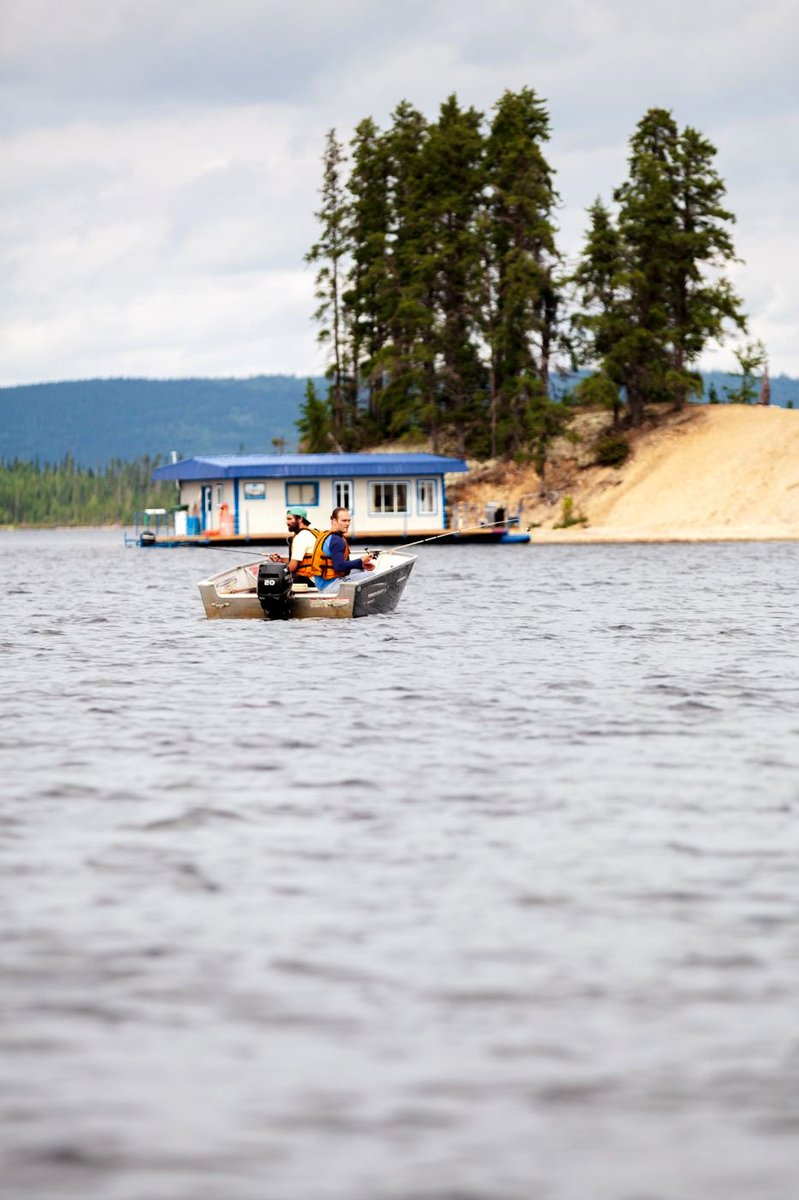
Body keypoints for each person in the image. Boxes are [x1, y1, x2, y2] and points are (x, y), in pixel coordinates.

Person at [309, 507, 376, 592]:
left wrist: (360, 564)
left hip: (322, 585)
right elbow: (339, 567)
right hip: (330, 586)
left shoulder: (327, 535)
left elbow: (339, 564)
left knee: (359, 569)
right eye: (344, 521)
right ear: (334, 521)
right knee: (372, 575)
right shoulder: (337, 541)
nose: (347, 524)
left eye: (349, 521)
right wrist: (361, 560)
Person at [269, 506, 320, 585]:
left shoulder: (301, 537)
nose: (287, 522)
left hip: (309, 579)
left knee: (276, 580)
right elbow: (300, 561)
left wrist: (276, 573)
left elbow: (292, 567)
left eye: (290, 519)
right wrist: (280, 560)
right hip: (318, 578)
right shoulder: (312, 532)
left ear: (300, 519)